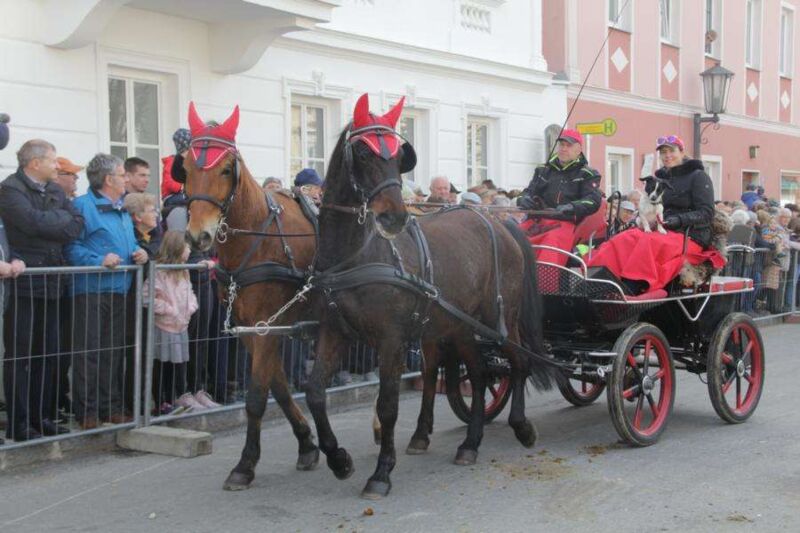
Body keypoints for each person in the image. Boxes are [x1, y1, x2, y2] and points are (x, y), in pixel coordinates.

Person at [0, 139, 84, 441]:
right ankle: (20, 422)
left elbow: (76, 224)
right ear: (35, 163)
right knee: (21, 356)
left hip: (52, 282)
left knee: (48, 354)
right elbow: (30, 223)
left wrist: (51, 223)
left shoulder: (55, 190)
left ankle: (42, 416)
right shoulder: (10, 190)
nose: (56, 165)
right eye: (52, 160)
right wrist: (56, 222)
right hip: (24, 284)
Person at [66, 153, 148, 429]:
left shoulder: (121, 208)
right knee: (88, 352)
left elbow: (129, 241)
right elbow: (71, 247)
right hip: (90, 289)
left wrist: (139, 252)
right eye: (123, 175)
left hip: (119, 289)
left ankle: (110, 406)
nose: (126, 179)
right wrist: (97, 260)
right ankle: (87, 411)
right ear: (108, 179)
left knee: (113, 352)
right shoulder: (82, 206)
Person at [587, 135, 725, 294]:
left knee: (647, 242)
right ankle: (597, 283)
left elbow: (707, 212)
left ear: (681, 152)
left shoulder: (698, 176)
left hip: (691, 235)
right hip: (662, 229)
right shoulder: (660, 179)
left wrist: (678, 220)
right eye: (663, 152)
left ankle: (631, 288)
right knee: (623, 238)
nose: (667, 155)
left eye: (671, 151)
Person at [143, 231, 220, 414]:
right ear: (177, 249)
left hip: (181, 324)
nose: (189, 251)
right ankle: (163, 400)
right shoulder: (160, 272)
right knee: (163, 363)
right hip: (165, 325)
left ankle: (182, 394)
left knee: (180, 361)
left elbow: (189, 292)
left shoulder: (183, 271)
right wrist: (170, 310)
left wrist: (191, 307)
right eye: (186, 247)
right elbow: (146, 296)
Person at [517, 128, 602, 265]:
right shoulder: (543, 170)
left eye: (569, 145)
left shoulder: (588, 174)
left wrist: (571, 207)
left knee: (550, 245)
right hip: (537, 221)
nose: (563, 149)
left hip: (564, 223)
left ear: (579, 149)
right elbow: (528, 191)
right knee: (513, 236)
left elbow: (593, 200)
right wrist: (523, 199)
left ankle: (546, 278)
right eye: (561, 144)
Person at [124, 193, 162, 261]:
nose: (156, 215)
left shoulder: (156, 236)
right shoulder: (128, 241)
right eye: (152, 211)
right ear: (138, 217)